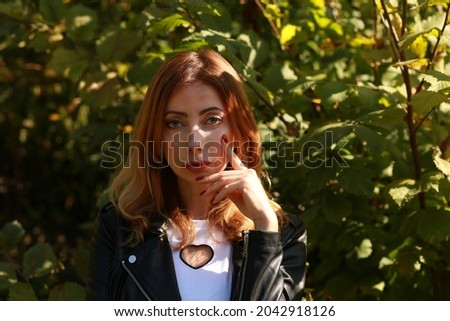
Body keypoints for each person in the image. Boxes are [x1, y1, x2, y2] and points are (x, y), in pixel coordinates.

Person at [86, 49, 307, 301]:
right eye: (174, 123)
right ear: (157, 139)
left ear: (238, 129)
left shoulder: (284, 233)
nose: (194, 142)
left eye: (212, 120)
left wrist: (265, 229)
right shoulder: (119, 230)